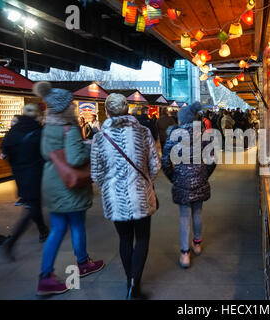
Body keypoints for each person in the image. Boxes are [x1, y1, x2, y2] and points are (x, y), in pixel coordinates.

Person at [32, 82, 104, 296]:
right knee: (76, 225)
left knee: (56, 230)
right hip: (69, 186)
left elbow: (47, 154)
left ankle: (46, 276)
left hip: (51, 184)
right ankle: (82, 263)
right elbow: (75, 158)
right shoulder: (68, 128)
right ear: (64, 108)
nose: (74, 108)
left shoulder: (47, 128)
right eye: (71, 105)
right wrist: (88, 148)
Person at [91, 93, 160, 300]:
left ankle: (128, 281)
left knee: (124, 238)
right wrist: (147, 181)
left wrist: (110, 187)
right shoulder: (143, 132)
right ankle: (134, 286)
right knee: (143, 238)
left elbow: (96, 174)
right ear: (128, 109)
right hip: (140, 195)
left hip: (115, 199)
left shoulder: (99, 138)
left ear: (107, 111)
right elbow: (155, 166)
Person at [162, 102, 216, 268]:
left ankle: (185, 254)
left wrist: (173, 176)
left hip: (181, 178)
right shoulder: (203, 135)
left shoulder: (174, 135)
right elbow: (212, 159)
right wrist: (205, 173)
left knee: (184, 216)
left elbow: (165, 161)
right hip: (199, 176)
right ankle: (197, 244)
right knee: (198, 212)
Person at [0, 105, 49, 261]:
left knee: (32, 204)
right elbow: (45, 152)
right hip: (34, 173)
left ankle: (42, 230)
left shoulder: (13, 131)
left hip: (19, 175)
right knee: (31, 208)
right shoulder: (38, 131)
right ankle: (12, 241)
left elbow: (4, 151)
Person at [0, 115, 25, 207]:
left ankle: (25, 197)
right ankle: (22, 197)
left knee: (22, 179)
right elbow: (4, 144)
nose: (12, 123)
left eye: (14, 121)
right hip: (14, 160)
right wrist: (3, 152)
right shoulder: (9, 133)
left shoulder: (21, 133)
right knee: (18, 179)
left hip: (21, 160)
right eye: (12, 121)